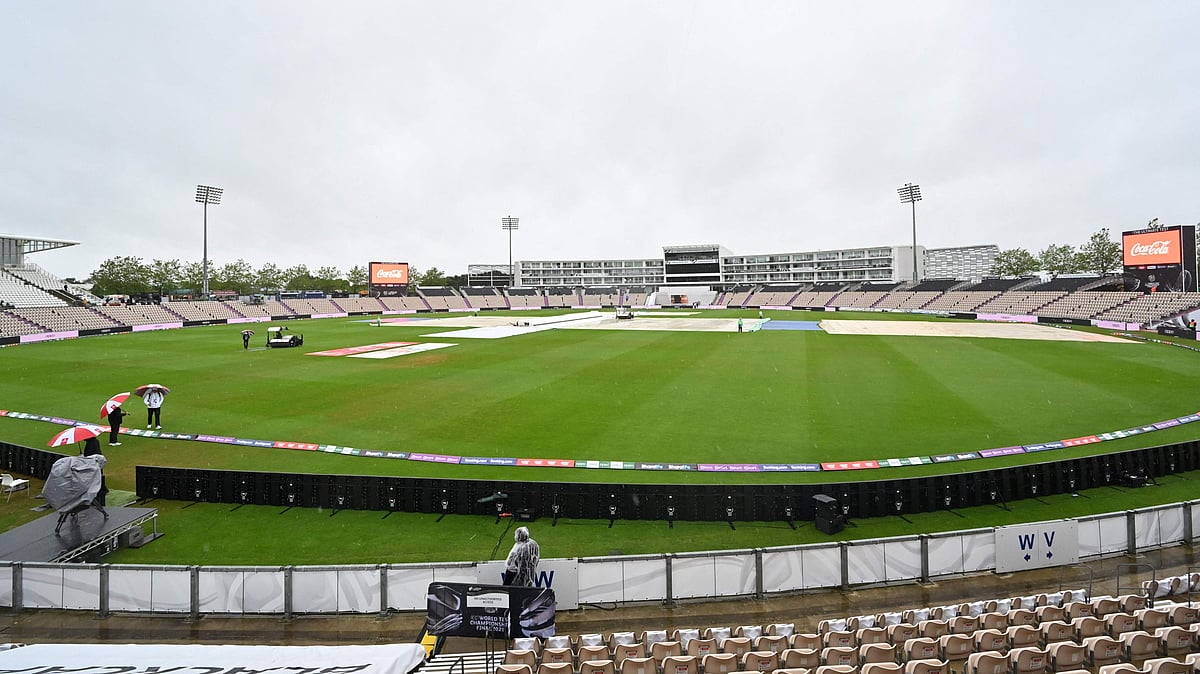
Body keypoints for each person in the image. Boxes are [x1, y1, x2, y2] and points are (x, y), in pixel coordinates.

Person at [82, 437, 109, 507]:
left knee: (97, 478)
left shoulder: (91, 444)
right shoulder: (95, 442)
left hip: (94, 464)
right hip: (97, 463)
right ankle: (102, 490)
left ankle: (101, 491)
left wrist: (83, 457)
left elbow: (89, 456)